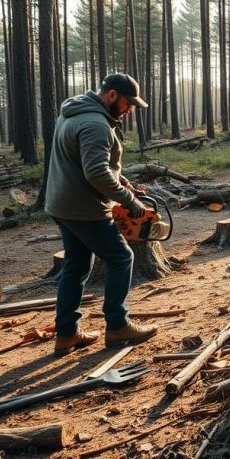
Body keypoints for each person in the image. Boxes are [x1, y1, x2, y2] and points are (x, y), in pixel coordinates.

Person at [45, 73, 159, 355]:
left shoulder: (73, 112)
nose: (129, 109)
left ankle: (67, 334)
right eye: (127, 103)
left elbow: (86, 162)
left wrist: (120, 181)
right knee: (122, 258)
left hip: (62, 205)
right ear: (112, 95)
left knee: (76, 266)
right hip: (85, 209)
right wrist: (130, 201)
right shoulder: (96, 123)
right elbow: (95, 172)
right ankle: (118, 325)